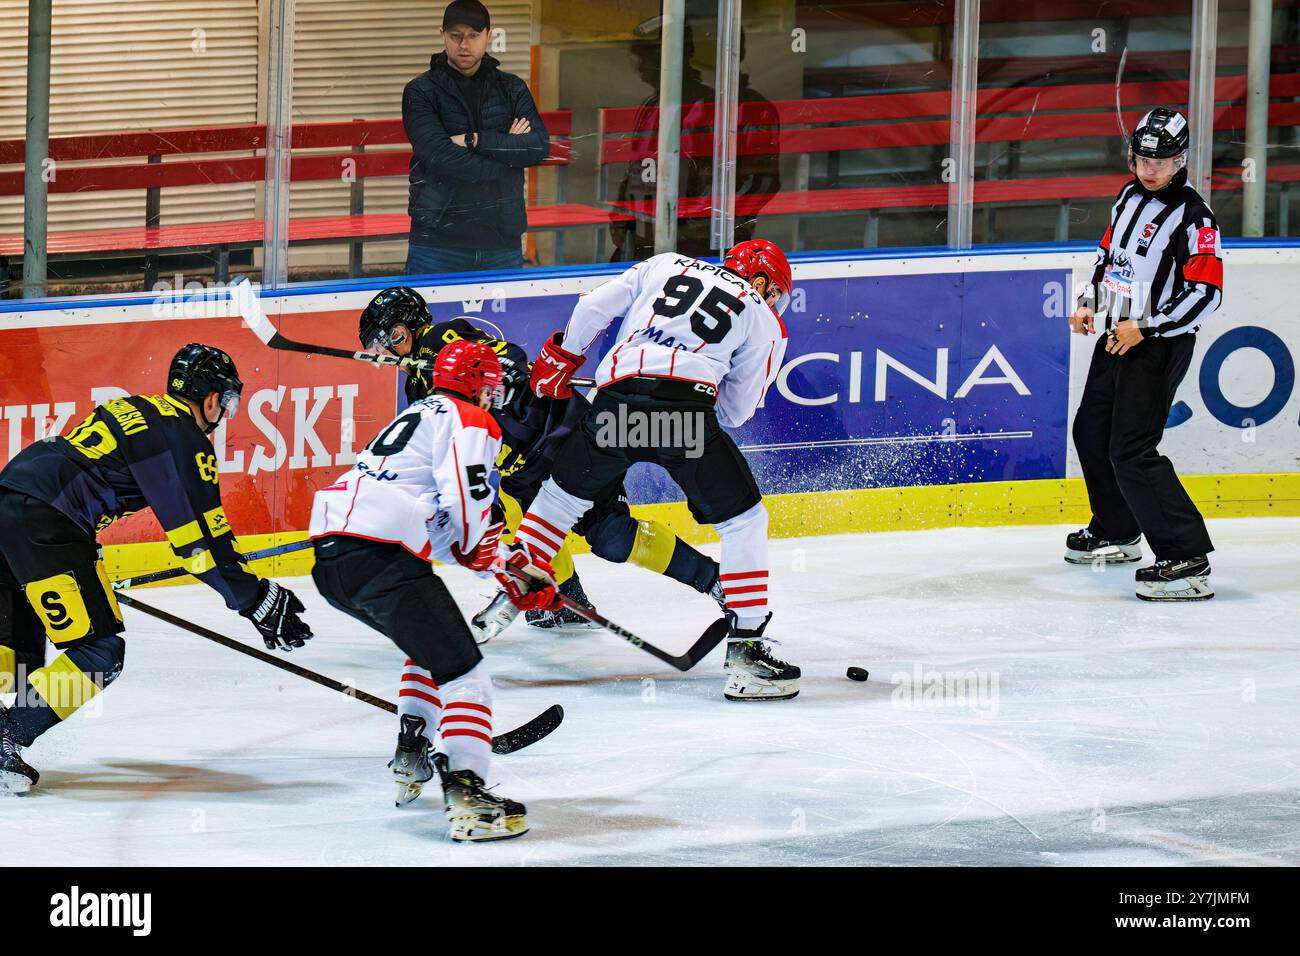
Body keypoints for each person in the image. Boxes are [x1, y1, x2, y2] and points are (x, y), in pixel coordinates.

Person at [0, 344, 313, 793]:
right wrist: (256, 600)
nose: (224, 413)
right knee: (99, 655)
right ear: (210, 399)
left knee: (19, 644)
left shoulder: (135, 406)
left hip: (9, 496)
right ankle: (7, 738)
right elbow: (199, 544)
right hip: (48, 521)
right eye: (226, 401)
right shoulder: (185, 438)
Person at [514, 239, 799, 701]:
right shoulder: (763, 318)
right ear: (761, 281)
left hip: (615, 405)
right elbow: (736, 412)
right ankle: (746, 652)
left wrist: (562, 357)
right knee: (744, 521)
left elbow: (591, 307)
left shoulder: (666, 264)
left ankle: (519, 578)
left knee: (559, 499)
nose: (773, 303)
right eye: (773, 293)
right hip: (684, 416)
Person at [356, 286, 727, 641]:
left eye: (389, 337)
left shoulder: (443, 337)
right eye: (378, 346)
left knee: (611, 537)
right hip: (522, 471)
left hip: (563, 440)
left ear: (409, 324)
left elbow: (508, 358)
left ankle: (714, 580)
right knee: (518, 529)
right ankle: (568, 600)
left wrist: (496, 370)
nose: (386, 352)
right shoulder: (415, 386)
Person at [309, 339, 559, 842]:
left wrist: (504, 566)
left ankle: (412, 748)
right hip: (380, 558)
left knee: (428, 648)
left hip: (335, 563)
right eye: (492, 386)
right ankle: (468, 794)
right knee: (467, 674)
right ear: (477, 384)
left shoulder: (421, 416)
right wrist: (491, 558)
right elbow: (465, 501)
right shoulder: (471, 419)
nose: (496, 397)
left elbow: (443, 530)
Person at [1066, 107, 1222, 601]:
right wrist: (1091, 300)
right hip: (1118, 332)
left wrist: (1147, 326)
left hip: (1159, 344)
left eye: (1163, 160)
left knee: (1132, 449)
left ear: (1181, 160)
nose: (1151, 168)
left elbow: (1206, 293)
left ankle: (1186, 557)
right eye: (1143, 158)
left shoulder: (1195, 217)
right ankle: (1117, 529)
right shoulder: (1128, 196)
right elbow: (1108, 256)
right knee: (1090, 431)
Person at [402, 0, 550, 275]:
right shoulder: (420, 91)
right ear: (442, 36)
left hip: (501, 242)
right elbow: (438, 155)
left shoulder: (512, 88)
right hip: (437, 243)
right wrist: (507, 159)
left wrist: (474, 140)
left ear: (488, 36)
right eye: (455, 35)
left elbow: (537, 146)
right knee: (428, 319)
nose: (464, 44)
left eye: (473, 35)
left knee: (501, 321)